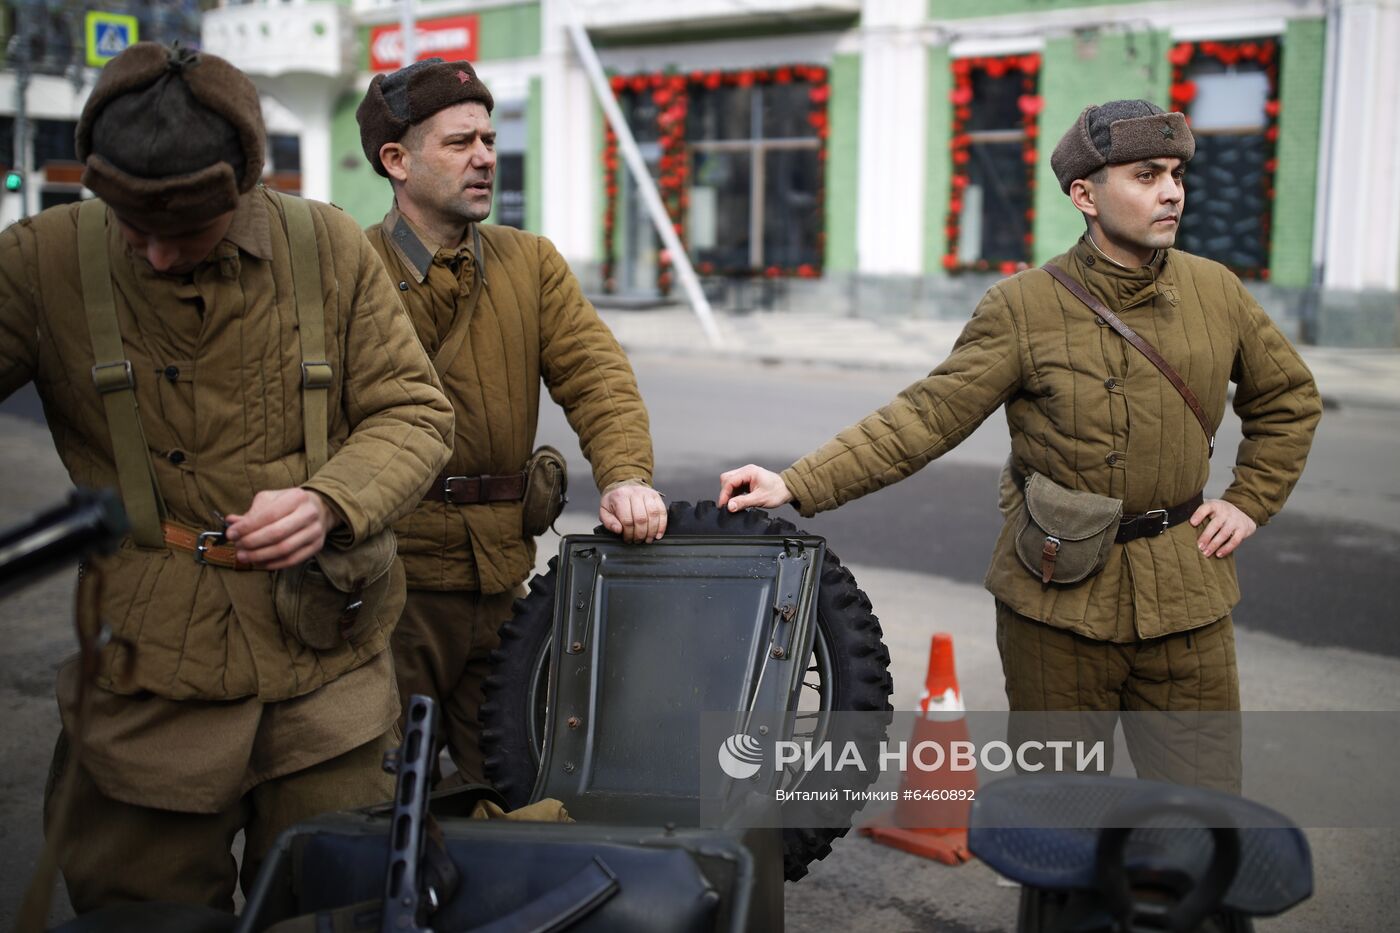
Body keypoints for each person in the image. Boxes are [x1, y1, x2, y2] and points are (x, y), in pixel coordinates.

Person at [718, 99, 1322, 787]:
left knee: (1204, 810)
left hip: (1188, 598)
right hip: (1056, 599)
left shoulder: (1218, 292)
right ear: (1085, 195)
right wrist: (798, 481)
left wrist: (1250, 498)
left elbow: (1289, 397)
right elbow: (925, 416)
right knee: (1059, 809)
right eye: (1147, 174)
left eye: (1177, 174)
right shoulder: (1023, 307)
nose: (1172, 191)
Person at [0, 43, 454, 911]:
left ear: (244, 185)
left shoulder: (325, 247)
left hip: (330, 680)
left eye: (187, 231)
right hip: (149, 692)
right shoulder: (41, 261)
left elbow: (417, 412)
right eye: (136, 230)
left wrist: (331, 501)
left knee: (340, 911)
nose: (159, 256)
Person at [355, 58, 666, 786]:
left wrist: (625, 475)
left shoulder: (529, 262)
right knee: (377, 801)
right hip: (389, 588)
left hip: (501, 580)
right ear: (396, 161)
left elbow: (596, 375)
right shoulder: (351, 268)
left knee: (520, 784)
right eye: (460, 142)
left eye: (490, 140)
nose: (487, 157)